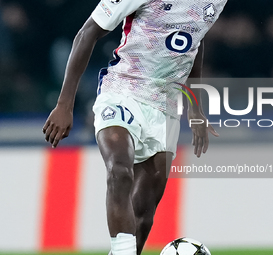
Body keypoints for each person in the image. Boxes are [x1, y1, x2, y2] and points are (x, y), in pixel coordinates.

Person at [43, 0, 227, 254]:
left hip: (165, 105)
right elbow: (87, 32)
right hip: (122, 91)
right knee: (120, 170)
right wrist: (64, 105)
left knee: (145, 211)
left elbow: (196, 37)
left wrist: (195, 107)